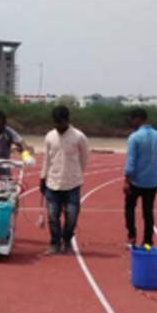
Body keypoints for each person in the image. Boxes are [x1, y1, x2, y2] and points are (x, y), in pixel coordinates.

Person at [39, 105, 90, 255]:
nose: (58, 125)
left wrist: (78, 172)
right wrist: (43, 177)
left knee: (72, 216)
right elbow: (46, 159)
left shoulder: (79, 137)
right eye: (56, 122)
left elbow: (85, 157)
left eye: (60, 122)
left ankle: (67, 241)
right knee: (53, 217)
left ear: (67, 120)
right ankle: (54, 243)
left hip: (72, 183)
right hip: (53, 182)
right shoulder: (49, 136)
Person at [123, 107, 157, 248]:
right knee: (148, 212)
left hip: (136, 181)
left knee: (130, 208)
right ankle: (148, 241)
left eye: (132, 119)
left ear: (138, 119)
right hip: (152, 182)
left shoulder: (134, 137)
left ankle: (132, 237)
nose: (131, 122)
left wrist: (126, 180)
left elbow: (131, 162)